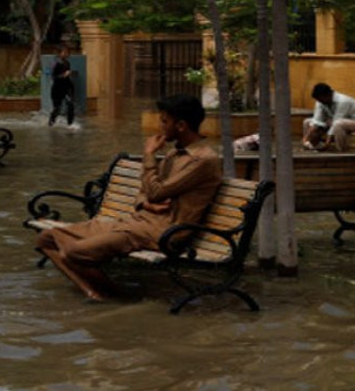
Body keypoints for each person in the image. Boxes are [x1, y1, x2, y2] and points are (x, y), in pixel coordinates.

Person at [35, 94, 221, 301]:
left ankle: (115, 296)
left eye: (164, 121)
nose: (160, 127)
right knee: (46, 238)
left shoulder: (202, 160)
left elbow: (155, 191)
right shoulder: (173, 155)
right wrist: (145, 204)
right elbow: (145, 191)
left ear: (181, 126)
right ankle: (93, 292)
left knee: (73, 252)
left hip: (162, 232)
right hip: (136, 222)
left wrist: (148, 155)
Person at [302, 83, 355, 152]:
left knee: (337, 124)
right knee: (307, 122)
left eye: (321, 99)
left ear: (328, 95)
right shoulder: (320, 101)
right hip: (336, 122)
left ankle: (341, 150)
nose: (320, 102)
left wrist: (327, 143)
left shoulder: (343, 101)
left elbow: (337, 120)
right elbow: (317, 120)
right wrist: (305, 138)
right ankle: (313, 146)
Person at [48, 46, 76, 127]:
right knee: (57, 108)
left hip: (67, 87)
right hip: (57, 89)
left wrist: (70, 74)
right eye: (64, 52)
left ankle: (70, 124)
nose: (66, 54)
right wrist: (63, 75)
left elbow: (67, 76)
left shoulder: (67, 63)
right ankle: (51, 123)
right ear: (59, 53)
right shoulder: (56, 63)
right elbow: (53, 77)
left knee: (70, 104)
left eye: (67, 52)